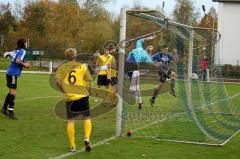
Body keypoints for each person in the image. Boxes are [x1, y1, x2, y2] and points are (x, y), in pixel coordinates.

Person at [55, 48, 93, 152]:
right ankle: (86, 138)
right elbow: (90, 80)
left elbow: (57, 81)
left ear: (66, 57)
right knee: (87, 118)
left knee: (71, 121)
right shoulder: (82, 66)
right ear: (75, 56)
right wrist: (89, 91)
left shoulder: (61, 68)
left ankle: (72, 146)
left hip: (70, 98)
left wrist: (63, 90)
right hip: (83, 96)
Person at [1, 38, 31, 119]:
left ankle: (4, 109)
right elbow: (18, 61)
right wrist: (25, 64)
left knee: (11, 91)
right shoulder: (22, 51)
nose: (27, 44)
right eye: (26, 43)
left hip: (10, 72)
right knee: (13, 92)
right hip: (13, 73)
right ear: (24, 44)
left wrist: (25, 65)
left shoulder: (16, 50)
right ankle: (11, 112)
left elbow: (18, 61)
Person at [126, 36, 155, 110]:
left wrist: (147, 38)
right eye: (150, 47)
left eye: (150, 47)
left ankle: (139, 102)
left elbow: (139, 41)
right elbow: (151, 63)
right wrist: (148, 38)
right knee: (135, 87)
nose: (150, 47)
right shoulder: (142, 50)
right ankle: (137, 99)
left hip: (130, 66)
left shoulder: (145, 53)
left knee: (136, 87)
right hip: (132, 66)